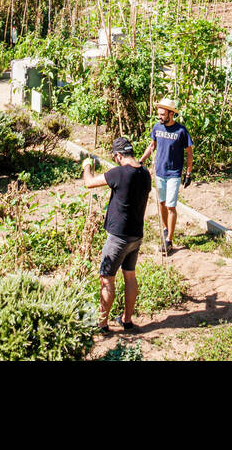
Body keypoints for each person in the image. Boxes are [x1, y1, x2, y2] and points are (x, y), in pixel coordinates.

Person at [82, 136, 151, 333]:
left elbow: (89, 183)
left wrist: (87, 165)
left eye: (115, 157)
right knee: (129, 275)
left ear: (119, 155)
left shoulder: (119, 173)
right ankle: (127, 320)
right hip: (136, 235)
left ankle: (102, 324)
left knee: (107, 278)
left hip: (118, 237)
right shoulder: (145, 173)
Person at [140, 98, 193, 254]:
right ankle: (165, 228)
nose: (160, 117)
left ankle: (169, 240)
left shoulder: (181, 131)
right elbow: (152, 146)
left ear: (171, 113)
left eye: (163, 114)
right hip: (160, 172)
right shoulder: (157, 127)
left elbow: (189, 153)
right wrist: (141, 161)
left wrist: (188, 173)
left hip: (174, 173)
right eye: (159, 114)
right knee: (162, 203)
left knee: (171, 205)